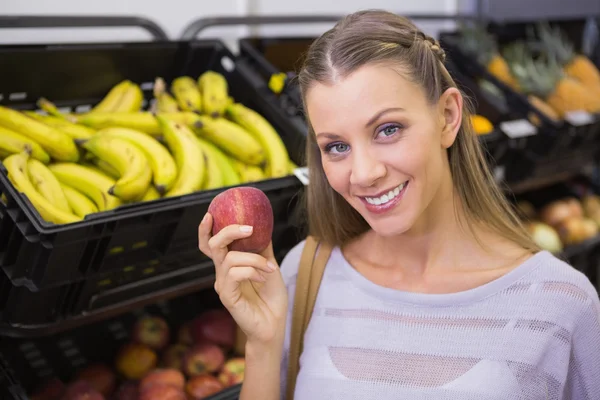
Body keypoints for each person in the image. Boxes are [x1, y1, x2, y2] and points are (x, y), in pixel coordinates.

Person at [198, 9, 600, 400]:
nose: (363, 173)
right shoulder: (304, 273)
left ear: (447, 116)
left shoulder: (561, 304)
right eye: (336, 146)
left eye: (388, 130)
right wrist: (263, 342)